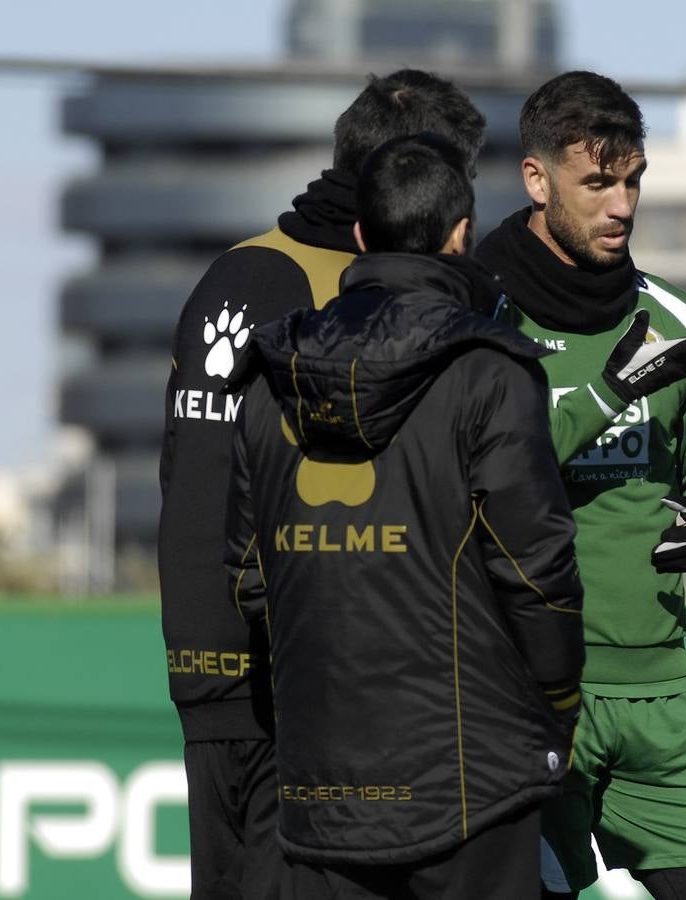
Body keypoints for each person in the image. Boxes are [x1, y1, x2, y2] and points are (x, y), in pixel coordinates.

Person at [223, 134, 585, 899]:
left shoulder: (265, 379)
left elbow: (251, 581)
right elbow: (537, 575)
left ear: (360, 235)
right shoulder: (491, 369)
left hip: (322, 784)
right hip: (472, 788)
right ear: (462, 235)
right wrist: (557, 708)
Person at [157, 70, 485, 898]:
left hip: (201, 659)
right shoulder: (350, 295)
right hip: (296, 669)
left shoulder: (234, 270)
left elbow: (183, 466)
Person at [474, 70, 686, 900]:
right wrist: (607, 394)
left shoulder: (668, 317)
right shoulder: (486, 319)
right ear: (538, 179)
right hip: (532, 695)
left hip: (661, 695)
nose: (622, 206)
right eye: (597, 182)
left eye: (633, 181)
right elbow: (485, 482)